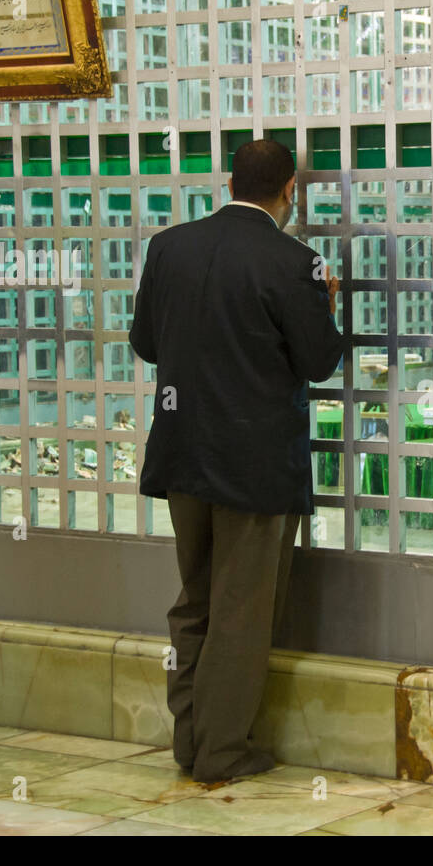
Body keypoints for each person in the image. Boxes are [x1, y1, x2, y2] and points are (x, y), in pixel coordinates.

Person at [129, 139, 344, 783]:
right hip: (254, 468)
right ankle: (222, 752)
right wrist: (326, 306)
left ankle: (191, 741)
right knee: (242, 610)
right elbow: (318, 361)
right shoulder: (295, 261)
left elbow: (144, 343)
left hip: (182, 454)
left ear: (228, 183)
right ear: (289, 192)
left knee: (195, 600)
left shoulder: (169, 247)